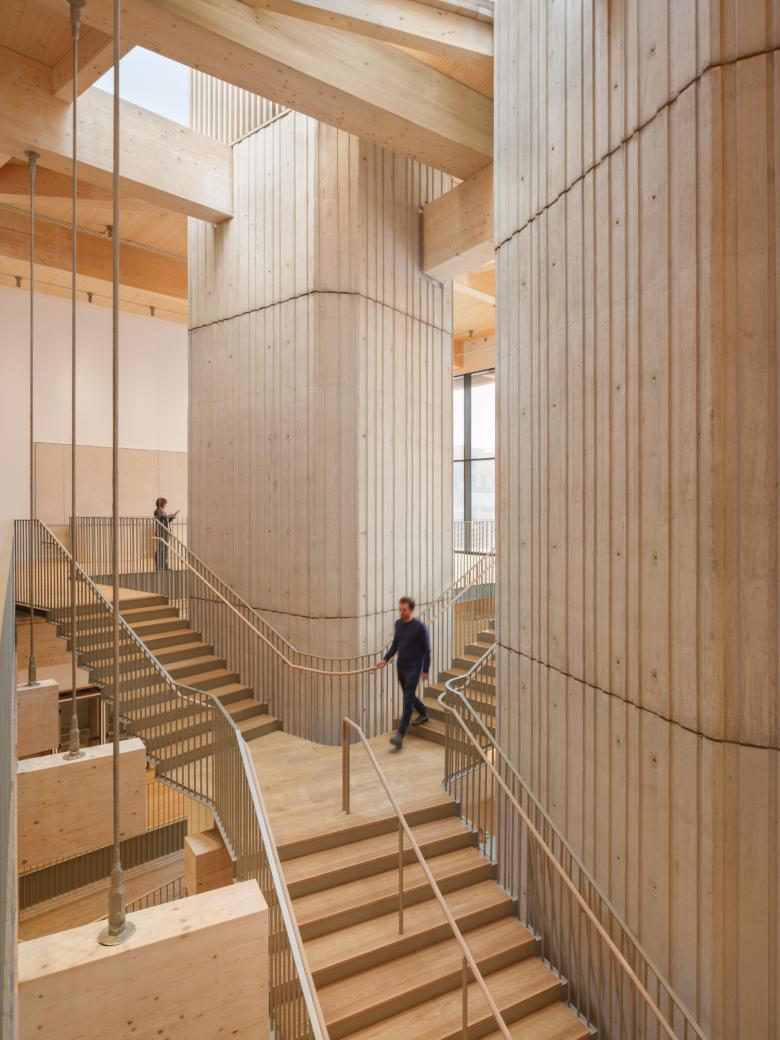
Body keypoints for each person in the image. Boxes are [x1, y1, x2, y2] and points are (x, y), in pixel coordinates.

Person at [376, 596, 431, 748]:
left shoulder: (419, 627)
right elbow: (395, 644)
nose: (401, 612)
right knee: (409, 695)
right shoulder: (398, 624)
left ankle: (400, 735)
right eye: (400, 609)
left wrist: (425, 670)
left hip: (414, 669)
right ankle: (423, 712)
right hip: (401, 667)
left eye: (404, 610)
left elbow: (427, 650)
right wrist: (385, 659)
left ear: (411, 610)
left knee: (407, 700)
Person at [153, 497, 179, 571]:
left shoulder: (163, 511)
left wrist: (172, 517)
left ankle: (164, 566)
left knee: (164, 550)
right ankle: (158, 567)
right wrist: (170, 515)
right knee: (160, 550)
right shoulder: (157, 511)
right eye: (165, 503)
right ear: (162, 503)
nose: (165, 505)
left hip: (166, 532)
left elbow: (165, 520)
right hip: (161, 533)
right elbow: (161, 518)